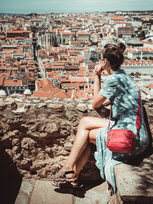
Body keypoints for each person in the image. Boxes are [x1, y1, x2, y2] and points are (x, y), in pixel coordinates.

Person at [49, 43, 149, 192]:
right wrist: (98, 76)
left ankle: (69, 169)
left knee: (86, 133)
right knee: (85, 125)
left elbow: (96, 103)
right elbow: (102, 100)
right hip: (133, 129)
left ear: (104, 62)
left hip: (131, 137)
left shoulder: (114, 80)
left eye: (100, 59)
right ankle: (72, 175)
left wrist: (97, 75)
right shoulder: (123, 76)